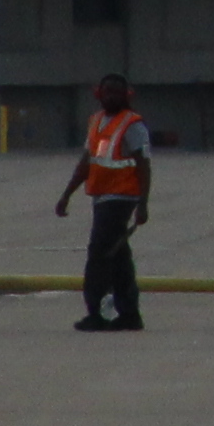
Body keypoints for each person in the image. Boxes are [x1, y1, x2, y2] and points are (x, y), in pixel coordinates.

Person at [52, 76, 151, 333]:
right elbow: (88, 160)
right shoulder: (96, 122)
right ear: (98, 94)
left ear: (127, 95)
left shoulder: (132, 125)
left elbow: (144, 164)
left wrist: (143, 203)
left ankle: (96, 313)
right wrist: (67, 194)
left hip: (121, 197)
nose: (112, 97)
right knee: (118, 257)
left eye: (117, 93)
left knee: (99, 255)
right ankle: (129, 314)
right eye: (107, 92)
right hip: (101, 196)